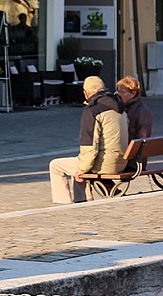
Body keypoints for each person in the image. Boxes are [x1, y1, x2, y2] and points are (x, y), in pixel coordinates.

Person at [46, 76, 126, 204]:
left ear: (85, 93)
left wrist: (82, 170)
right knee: (79, 165)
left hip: (105, 164)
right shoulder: (119, 106)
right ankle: (82, 202)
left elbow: (89, 146)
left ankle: (63, 204)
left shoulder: (93, 110)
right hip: (122, 161)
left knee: (56, 165)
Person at [116, 76, 154, 140]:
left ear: (133, 93)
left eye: (122, 92)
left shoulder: (141, 111)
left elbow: (143, 137)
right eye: (117, 91)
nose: (117, 94)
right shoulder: (119, 106)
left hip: (131, 147)